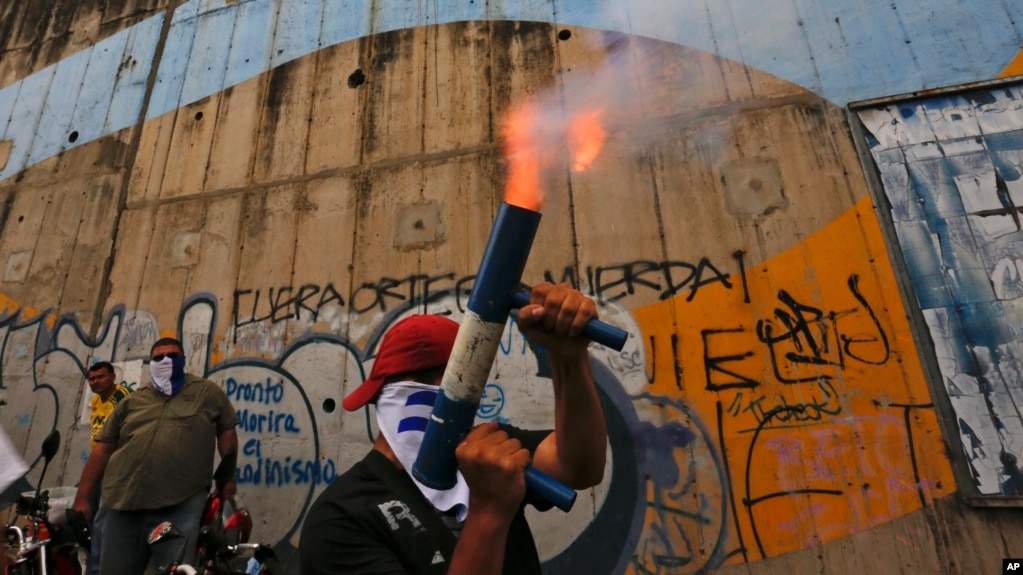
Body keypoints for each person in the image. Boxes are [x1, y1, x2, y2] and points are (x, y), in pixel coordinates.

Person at [299, 282, 608, 574]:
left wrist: (569, 359)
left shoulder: (487, 455)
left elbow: (580, 468)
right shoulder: (339, 519)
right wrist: (488, 512)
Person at [71, 337, 240, 575]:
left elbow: (227, 430)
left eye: (173, 356)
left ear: (183, 360)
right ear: (151, 363)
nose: (166, 361)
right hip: (122, 502)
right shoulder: (132, 401)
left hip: (180, 502)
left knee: (176, 569)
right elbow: (103, 449)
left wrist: (228, 477)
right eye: (158, 358)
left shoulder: (206, 392)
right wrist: (83, 498)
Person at [84, 361, 132, 575]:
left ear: (113, 377)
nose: (95, 382)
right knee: (89, 512)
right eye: (92, 379)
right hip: (99, 465)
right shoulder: (95, 402)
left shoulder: (123, 397)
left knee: (106, 517)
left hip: (116, 467)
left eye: (100, 377)